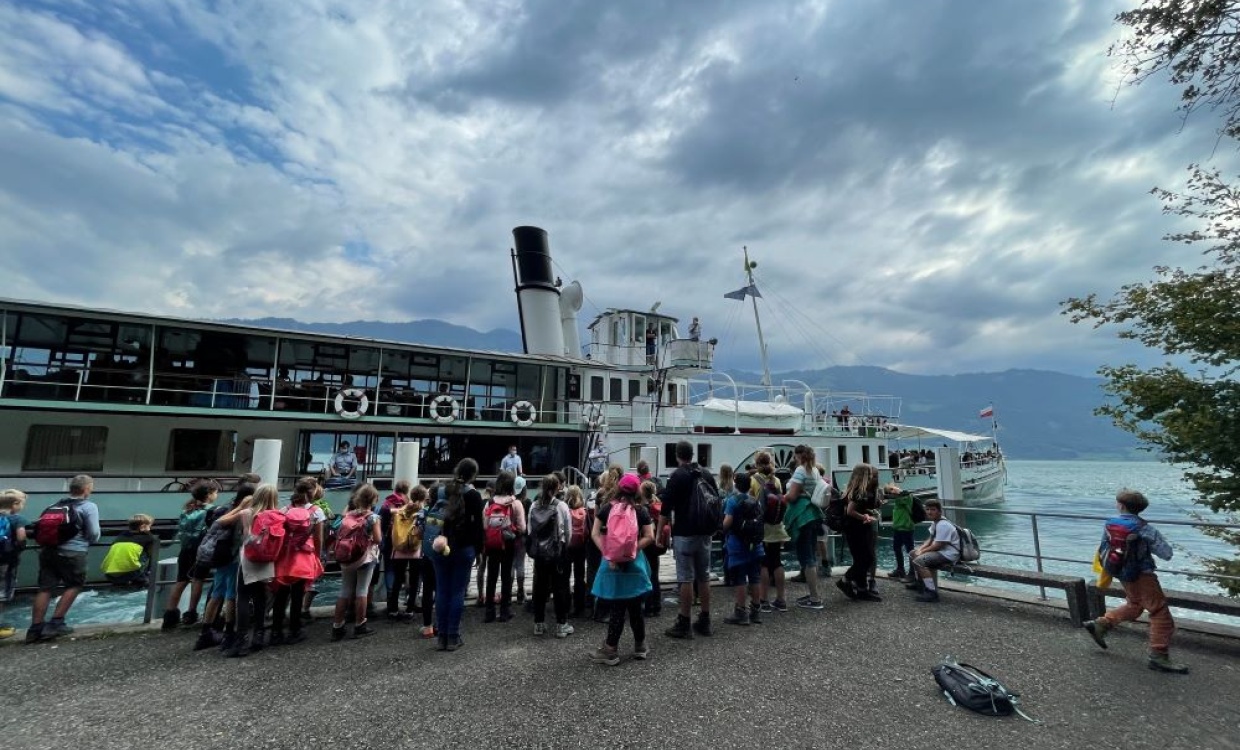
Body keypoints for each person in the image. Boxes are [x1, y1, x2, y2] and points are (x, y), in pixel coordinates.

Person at [1082, 489, 1189, 673]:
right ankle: (1159, 657)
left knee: (1135, 605)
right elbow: (1166, 554)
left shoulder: (1110, 523)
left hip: (1121, 572)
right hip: (1142, 575)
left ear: (1121, 506)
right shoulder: (1144, 528)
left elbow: (1103, 548)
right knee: (1160, 612)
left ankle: (1101, 624)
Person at [590, 473, 654, 665]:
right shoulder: (641, 510)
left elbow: (594, 533)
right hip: (634, 565)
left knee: (617, 606)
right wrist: (632, 550)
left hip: (613, 566)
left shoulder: (607, 508)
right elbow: (650, 536)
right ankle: (640, 646)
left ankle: (610, 650)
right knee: (635, 605)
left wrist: (609, 553)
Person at [27, 475, 101, 643]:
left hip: (48, 551)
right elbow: (94, 533)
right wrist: (88, 541)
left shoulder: (54, 505)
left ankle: (35, 628)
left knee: (45, 588)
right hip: (73, 552)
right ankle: (56, 623)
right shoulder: (88, 506)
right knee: (74, 585)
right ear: (86, 489)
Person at [214, 483, 280, 657]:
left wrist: (240, 507)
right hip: (269, 559)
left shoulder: (247, 513)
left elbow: (221, 523)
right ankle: (259, 635)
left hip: (249, 558)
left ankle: (241, 640)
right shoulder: (278, 515)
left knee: (243, 597)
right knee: (260, 597)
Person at [662, 440, 719, 639]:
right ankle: (705, 619)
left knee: (685, 578)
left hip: (684, 532)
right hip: (705, 532)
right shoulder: (706, 474)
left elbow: (665, 508)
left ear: (677, 455)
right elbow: (715, 500)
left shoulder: (677, 476)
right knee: (704, 576)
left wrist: (660, 534)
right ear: (692, 454)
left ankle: (684, 622)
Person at [430, 458, 485, 652]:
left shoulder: (441, 490)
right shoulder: (473, 495)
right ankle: (453, 636)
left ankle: (441, 637)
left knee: (442, 590)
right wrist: (479, 550)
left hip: (440, 544)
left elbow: (433, 518)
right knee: (457, 592)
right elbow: (478, 527)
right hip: (463, 548)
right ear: (473, 475)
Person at [270, 477, 326, 646]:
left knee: (281, 595)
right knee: (297, 594)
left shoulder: (285, 510)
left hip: (285, 557)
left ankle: (276, 631)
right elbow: (318, 538)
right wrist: (318, 556)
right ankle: (295, 629)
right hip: (304, 557)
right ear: (312, 493)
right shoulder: (316, 511)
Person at [161, 479, 219, 631]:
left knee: (181, 581)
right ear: (209, 494)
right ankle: (191, 613)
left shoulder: (188, 509)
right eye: (215, 492)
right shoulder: (211, 510)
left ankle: (170, 615)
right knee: (197, 580)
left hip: (185, 549)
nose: (216, 495)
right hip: (201, 551)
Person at [331, 484, 383, 641]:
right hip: (365, 557)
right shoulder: (373, 517)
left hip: (347, 556)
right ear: (373, 500)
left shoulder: (347, 516)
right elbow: (378, 539)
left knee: (344, 590)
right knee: (362, 590)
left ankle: (337, 626)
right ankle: (360, 624)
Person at [528, 473, 573, 638]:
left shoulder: (533, 506)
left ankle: (538, 624)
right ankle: (561, 625)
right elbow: (568, 531)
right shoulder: (561, 506)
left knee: (539, 587)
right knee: (559, 587)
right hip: (557, 552)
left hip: (539, 553)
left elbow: (530, 530)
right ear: (556, 488)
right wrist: (565, 546)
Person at [782, 445, 825, 610]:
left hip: (802, 515)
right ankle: (814, 594)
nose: (794, 459)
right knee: (811, 555)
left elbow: (792, 496)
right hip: (812, 514)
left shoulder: (800, 470)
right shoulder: (814, 470)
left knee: (807, 557)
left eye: (794, 456)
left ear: (799, 456)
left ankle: (815, 598)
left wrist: (782, 497)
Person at [483, 471, 526, 624]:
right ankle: (504, 611)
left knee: (491, 576)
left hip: (492, 543)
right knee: (506, 576)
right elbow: (522, 527)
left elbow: (485, 525)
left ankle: (489, 611)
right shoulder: (515, 503)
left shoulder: (489, 502)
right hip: (508, 543)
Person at [749, 451, 789, 613]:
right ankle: (781, 599)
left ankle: (763, 600)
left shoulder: (753, 480)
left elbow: (751, 502)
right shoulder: (776, 480)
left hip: (763, 527)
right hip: (777, 527)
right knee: (777, 562)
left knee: (764, 564)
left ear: (757, 464)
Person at [722, 472, 764, 626]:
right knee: (755, 577)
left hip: (737, 545)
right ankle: (756, 611)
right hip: (756, 545)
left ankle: (741, 612)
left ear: (736, 485)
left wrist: (720, 529)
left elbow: (727, 522)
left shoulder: (732, 501)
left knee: (740, 578)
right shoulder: (755, 500)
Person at [838, 463, 884, 602]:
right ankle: (845, 580)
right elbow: (850, 511)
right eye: (869, 474)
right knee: (866, 558)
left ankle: (862, 589)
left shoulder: (853, 489)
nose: (871, 477)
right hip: (856, 528)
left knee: (861, 558)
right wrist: (864, 517)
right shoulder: (859, 492)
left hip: (855, 528)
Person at [908, 499, 959, 604]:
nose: (929, 512)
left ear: (939, 511)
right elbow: (930, 539)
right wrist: (920, 549)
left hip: (949, 554)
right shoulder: (936, 523)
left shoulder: (943, 525)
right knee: (913, 553)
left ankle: (932, 592)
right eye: (927, 509)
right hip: (942, 551)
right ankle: (920, 583)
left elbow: (938, 545)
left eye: (933, 509)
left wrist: (922, 551)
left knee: (919, 561)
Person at [380, 480, 413, 621]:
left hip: (389, 541)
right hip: (404, 542)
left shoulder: (388, 502)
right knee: (403, 571)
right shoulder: (408, 503)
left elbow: (382, 518)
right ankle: (408, 601)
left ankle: (391, 603)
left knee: (389, 570)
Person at [0, 489, 30, 639]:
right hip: (6, 561)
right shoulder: (17, 519)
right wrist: (20, 548)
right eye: (22, 503)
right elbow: (21, 537)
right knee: (2, 593)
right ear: (15, 504)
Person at [100, 513, 157, 586]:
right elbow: (152, 555)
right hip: (131, 574)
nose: (150, 529)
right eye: (149, 526)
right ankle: (141, 579)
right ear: (142, 527)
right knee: (149, 553)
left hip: (109, 574)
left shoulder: (121, 536)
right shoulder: (148, 538)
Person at [564, 485, 589, 617]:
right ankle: (580, 606)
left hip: (567, 547)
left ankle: (566, 605)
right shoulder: (584, 511)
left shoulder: (565, 510)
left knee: (565, 577)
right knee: (579, 576)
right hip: (581, 546)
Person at [888, 485, 916, 580]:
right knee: (896, 548)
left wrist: (897, 492)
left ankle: (912, 572)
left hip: (906, 528)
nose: (892, 493)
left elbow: (902, 496)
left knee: (910, 551)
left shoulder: (907, 497)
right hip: (898, 528)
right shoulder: (899, 499)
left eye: (893, 491)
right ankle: (900, 570)